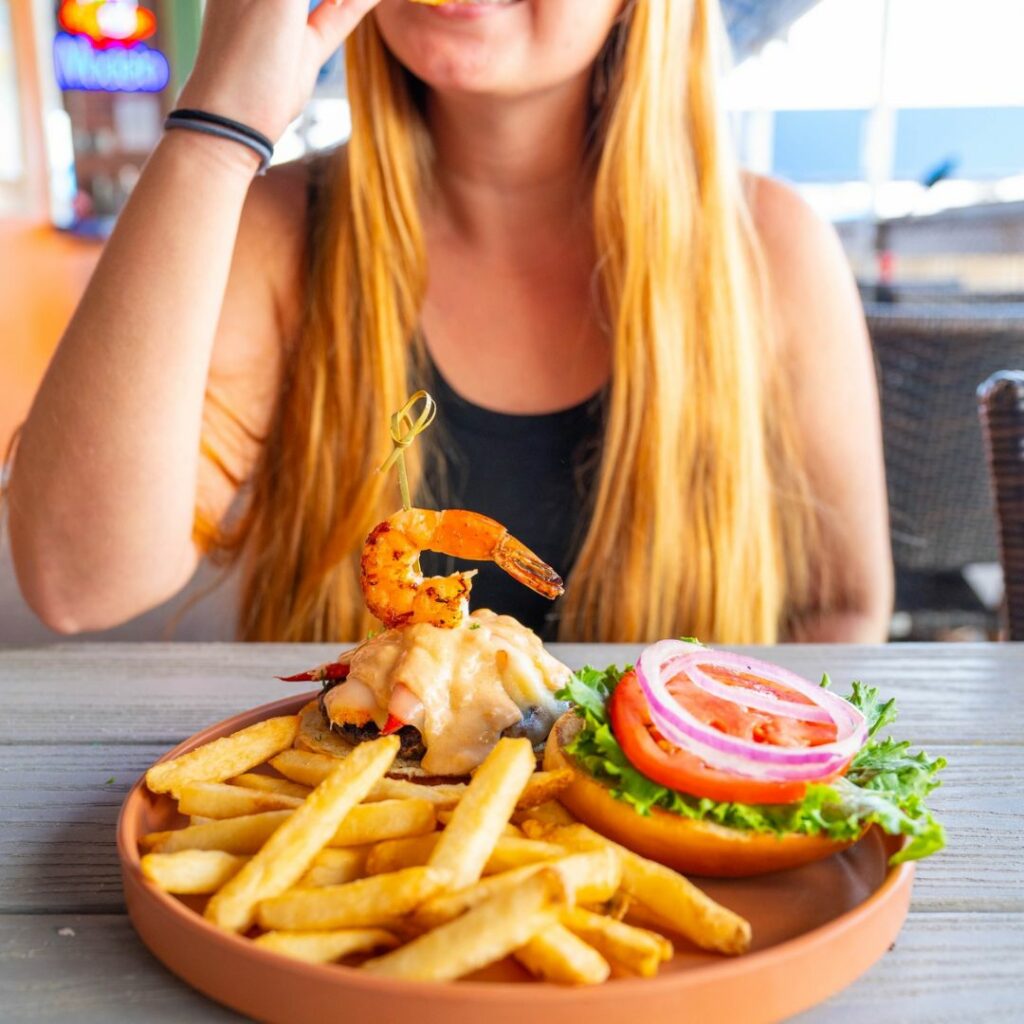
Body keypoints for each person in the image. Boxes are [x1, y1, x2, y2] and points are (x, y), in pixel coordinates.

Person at [4, 0, 892, 644]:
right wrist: (218, 126)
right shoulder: (276, 232)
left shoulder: (773, 247)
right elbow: (79, 582)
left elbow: (843, 610)